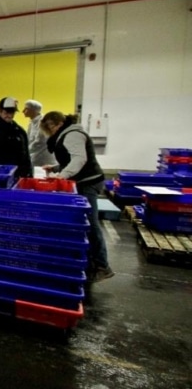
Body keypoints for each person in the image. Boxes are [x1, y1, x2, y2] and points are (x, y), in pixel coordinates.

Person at [40, 111, 114, 282]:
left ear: (55, 124)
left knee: (90, 224)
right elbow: (71, 159)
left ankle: (103, 266)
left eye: (48, 128)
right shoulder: (68, 133)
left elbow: (79, 160)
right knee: (85, 223)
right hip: (84, 182)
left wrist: (61, 176)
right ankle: (91, 262)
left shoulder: (72, 135)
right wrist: (56, 168)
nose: (49, 132)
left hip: (88, 183)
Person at [23, 99, 55, 168]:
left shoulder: (42, 122)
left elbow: (39, 142)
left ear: (34, 110)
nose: (23, 111)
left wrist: (25, 152)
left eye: (26, 109)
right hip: (35, 157)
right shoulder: (32, 122)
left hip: (44, 160)